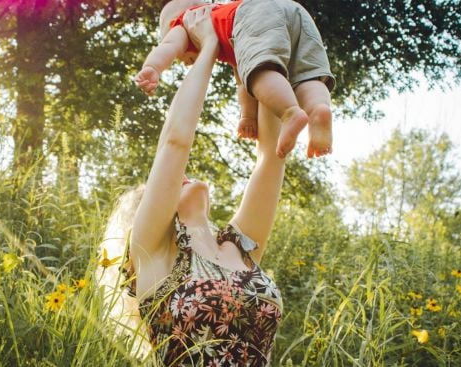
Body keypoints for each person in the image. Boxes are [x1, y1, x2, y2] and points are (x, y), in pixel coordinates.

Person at [108, 6, 285, 365]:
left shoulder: (240, 246)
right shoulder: (153, 251)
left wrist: (254, 54)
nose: (181, 175)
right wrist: (207, 48)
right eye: (173, 180)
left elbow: (272, 156)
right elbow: (175, 141)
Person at [135, 0, 336, 159]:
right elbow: (243, 82)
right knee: (306, 74)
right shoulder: (227, 22)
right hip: (294, 11)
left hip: (255, 12)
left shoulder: (185, 23)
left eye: (182, 59)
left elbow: (169, 45)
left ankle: (290, 112)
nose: (186, 63)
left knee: (260, 73)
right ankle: (318, 110)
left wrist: (152, 67)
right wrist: (248, 117)